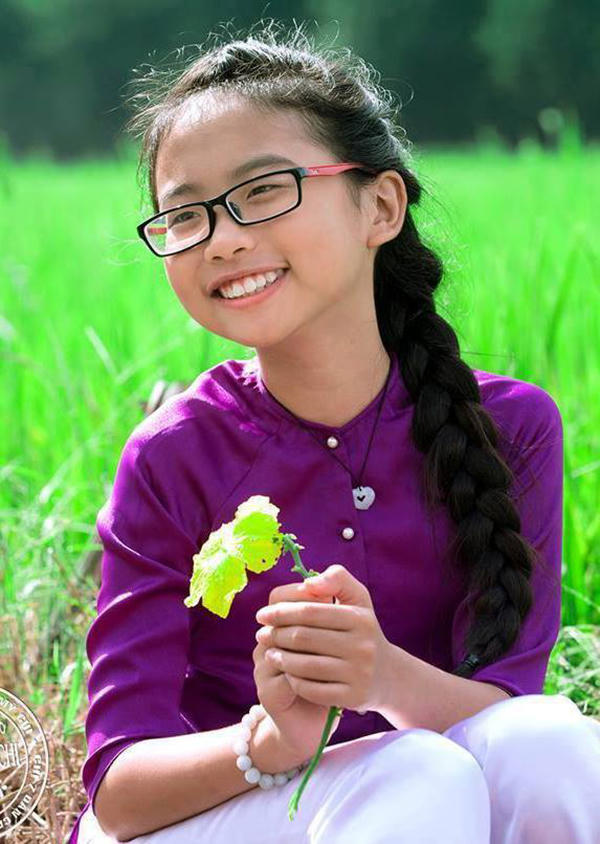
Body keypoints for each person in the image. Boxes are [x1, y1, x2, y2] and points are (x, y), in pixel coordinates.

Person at [67, 21, 600, 844]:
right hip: (211, 818)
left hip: (422, 799)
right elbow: (118, 792)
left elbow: (508, 716)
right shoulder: (175, 454)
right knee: (419, 775)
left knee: (551, 742)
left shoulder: (509, 429)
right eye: (185, 215)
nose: (224, 238)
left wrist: (383, 678)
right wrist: (273, 740)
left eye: (262, 190)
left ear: (379, 206)